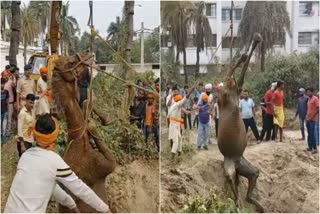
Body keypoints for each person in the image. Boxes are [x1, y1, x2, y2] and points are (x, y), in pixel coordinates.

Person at [4, 114, 111, 213]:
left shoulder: (25, 156)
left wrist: (71, 204)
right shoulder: (54, 161)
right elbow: (80, 189)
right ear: (54, 137)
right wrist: (105, 209)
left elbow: (50, 186)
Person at [168, 87, 194, 160]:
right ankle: (172, 157)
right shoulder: (177, 104)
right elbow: (185, 98)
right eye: (180, 100)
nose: (181, 102)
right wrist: (190, 92)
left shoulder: (176, 105)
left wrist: (186, 112)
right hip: (174, 125)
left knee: (180, 139)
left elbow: (182, 109)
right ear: (178, 100)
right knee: (176, 141)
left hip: (176, 125)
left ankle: (179, 153)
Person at [4, 67, 17, 136]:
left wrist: (13, 77)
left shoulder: (11, 81)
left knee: (9, 117)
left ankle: (8, 131)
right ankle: (3, 130)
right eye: (4, 75)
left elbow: (14, 85)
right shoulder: (2, 83)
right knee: (4, 117)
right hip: (3, 103)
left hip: (10, 102)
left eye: (7, 75)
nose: (6, 76)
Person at [305, 87, 319, 154]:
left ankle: (315, 148)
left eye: (309, 92)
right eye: (307, 92)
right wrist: (307, 117)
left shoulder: (315, 99)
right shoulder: (309, 99)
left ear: (312, 92)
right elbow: (308, 109)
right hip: (308, 119)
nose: (307, 93)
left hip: (313, 120)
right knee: (309, 134)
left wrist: (312, 117)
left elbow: (317, 109)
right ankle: (310, 147)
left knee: (312, 134)